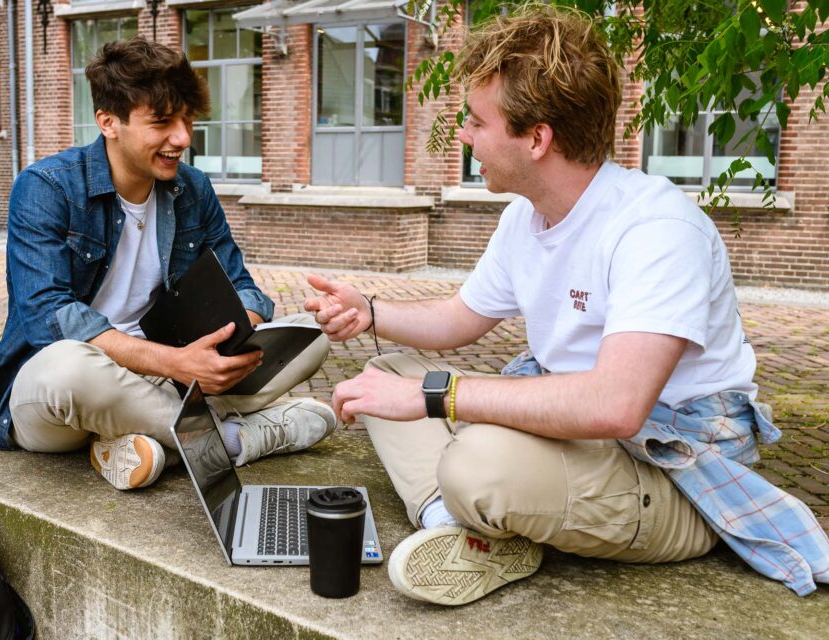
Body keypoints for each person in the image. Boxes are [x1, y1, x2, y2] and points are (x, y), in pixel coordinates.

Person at [305, 5, 829, 605]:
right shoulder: (523, 219)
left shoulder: (656, 228)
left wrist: (436, 396)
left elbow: (617, 406)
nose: (464, 134)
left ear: (537, 138)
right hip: (581, 445)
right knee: (384, 375)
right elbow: (458, 319)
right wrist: (370, 310)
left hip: (674, 473)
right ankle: (453, 529)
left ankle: (475, 506)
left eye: (476, 122)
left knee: (476, 463)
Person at [0, 37, 336, 491]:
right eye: (162, 122)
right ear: (108, 122)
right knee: (66, 367)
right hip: (63, 398)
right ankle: (236, 439)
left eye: (186, 119)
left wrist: (226, 343)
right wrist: (174, 364)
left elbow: (245, 289)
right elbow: (48, 319)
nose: (181, 138)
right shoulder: (46, 187)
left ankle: (134, 440)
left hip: (172, 378)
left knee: (309, 338)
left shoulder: (192, 189)